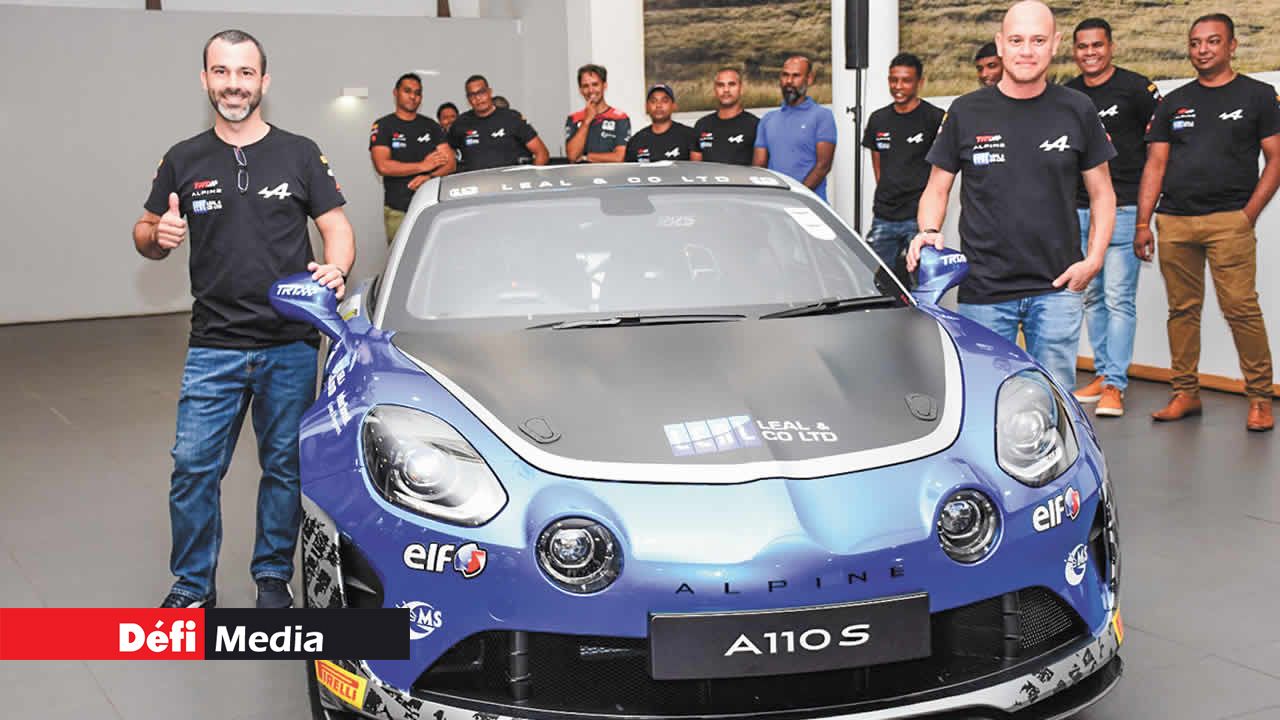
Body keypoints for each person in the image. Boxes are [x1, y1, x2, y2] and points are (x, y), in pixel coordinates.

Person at [131, 29, 355, 609]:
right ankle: (192, 585)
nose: (234, 84)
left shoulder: (300, 153)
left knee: (284, 468)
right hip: (214, 345)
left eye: (245, 72)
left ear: (264, 81)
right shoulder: (182, 158)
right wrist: (158, 235)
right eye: (222, 72)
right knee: (192, 469)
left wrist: (336, 269)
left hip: (290, 343)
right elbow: (144, 230)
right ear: (205, 79)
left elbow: (335, 226)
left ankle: (273, 578)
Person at [907, 0, 1116, 391]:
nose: (1027, 51)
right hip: (984, 290)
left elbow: (1103, 193)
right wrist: (929, 230)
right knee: (986, 399)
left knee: (1054, 400)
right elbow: (937, 187)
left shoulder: (1078, 109)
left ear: (1055, 44)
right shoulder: (966, 111)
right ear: (1001, 44)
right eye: (1017, 40)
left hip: (1057, 288)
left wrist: (1094, 259)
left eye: (1038, 40)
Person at [1136, 13, 1278, 431]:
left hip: (1229, 221)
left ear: (1231, 46)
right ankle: (1185, 392)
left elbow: (1276, 159)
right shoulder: (1173, 101)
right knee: (1181, 311)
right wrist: (1143, 222)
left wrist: (1249, 214)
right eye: (1195, 42)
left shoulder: (1258, 96)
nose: (1202, 49)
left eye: (1213, 41)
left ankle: (1260, 398)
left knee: (1241, 309)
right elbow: (1155, 164)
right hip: (1174, 222)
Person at [1065, 18, 1162, 417]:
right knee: (1091, 296)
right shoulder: (1068, 93)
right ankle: (1104, 374)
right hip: (1077, 210)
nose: (1090, 53)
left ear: (1111, 47)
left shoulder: (1137, 89)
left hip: (1122, 208)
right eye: (1083, 46)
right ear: (1074, 51)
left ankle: (1115, 386)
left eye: (1097, 45)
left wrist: (1143, 219)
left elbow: (1158, 153)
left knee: (1119, 299)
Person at [860, 53, 945, 275]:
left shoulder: (934, 117)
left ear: (920, 82)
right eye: (893, 80)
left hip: (918, 219)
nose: (898, 86)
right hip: (884, 216)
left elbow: (942, 169)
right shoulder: (878, 119)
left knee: (921, 281)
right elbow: (878, 165)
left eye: (906, 80)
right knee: (876, 279)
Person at [369, 73, 455, 243]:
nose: (413, 96)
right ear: (396, 93)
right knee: (401, 255)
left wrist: (429, 176)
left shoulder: (431, 125)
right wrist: (422, 166)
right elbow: (382, 166)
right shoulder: (384, 125)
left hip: (431, 207)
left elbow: (450, 163)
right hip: (398, 209)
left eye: (417, 93)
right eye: (407, 91)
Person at [752, 54, 837, 201]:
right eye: (785, 75)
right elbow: (759, 166)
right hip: (774, 204)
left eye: (796, 76)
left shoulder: (823, 116)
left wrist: (795, 197)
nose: (789, 81)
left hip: (809, 205)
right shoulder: (767, 119)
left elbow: (823, 166)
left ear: (809, 79)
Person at [449, 74, 549, 171]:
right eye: (472, 95)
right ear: (468, 99)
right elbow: (447, 154)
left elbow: (542, 153)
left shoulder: (511, 118)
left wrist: (530, 177)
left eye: (481, 92)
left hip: (511, 181)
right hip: (475, 181)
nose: (478, 98)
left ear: (490, 92)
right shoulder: (460, 123)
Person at [566, 64, 631, 163]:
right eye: (585, 86)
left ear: (604, 86)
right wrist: (587, 121)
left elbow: (619, 157)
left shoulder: (620, 118)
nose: (591, 90)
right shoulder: (574, 118)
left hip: (611, 173)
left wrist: (586, 157)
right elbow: (572, 156)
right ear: (580, 90)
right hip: (582, 173)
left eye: (595, 84)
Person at [693, 67, 759, 165]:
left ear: (741, 89)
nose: (726, 90)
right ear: (715, 90)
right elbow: (695, 168)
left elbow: (760, 168)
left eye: (732, 84)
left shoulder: (756, 126)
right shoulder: (702, 125)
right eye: (721, 85)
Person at [625, 84, 701, 163]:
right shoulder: (636, 141)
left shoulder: (690, 136)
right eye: (653, 101)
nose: (658, 105)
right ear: (646, 107)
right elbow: (630, 169)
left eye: (664, 101)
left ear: (674, 106)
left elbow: (697, 168)